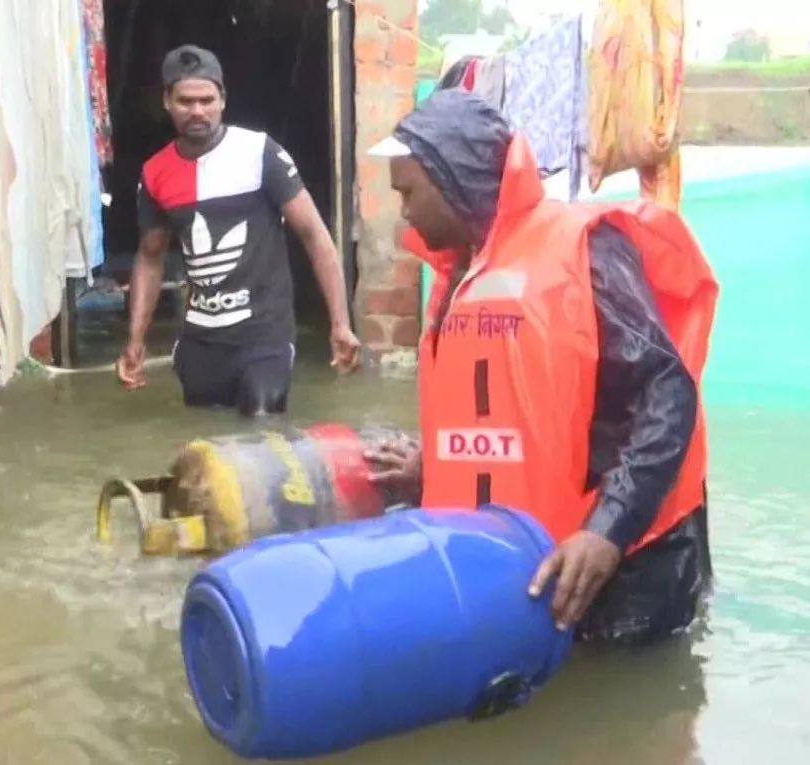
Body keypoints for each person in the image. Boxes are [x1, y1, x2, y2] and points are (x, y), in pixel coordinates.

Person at [364, 89, 719, 646]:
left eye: (408, 192)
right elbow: (506, 422)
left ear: (452, 177)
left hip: (633, 562)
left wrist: (608, 530)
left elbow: (667, 390)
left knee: (625, 716)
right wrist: (433, 472)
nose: (403, 210)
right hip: (544, 561)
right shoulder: (463, 273)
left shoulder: (584, 247)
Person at [116, 45, 361, 416]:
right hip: (202, 341)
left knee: (260, 427)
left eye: (206, 100)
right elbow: (149, 259)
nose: (197, 111)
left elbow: (315, 236)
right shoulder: (155, 173)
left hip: (265, 335)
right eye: (186, 101)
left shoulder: (260, 153)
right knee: (206, 442)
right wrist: (135, 341)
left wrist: (340, 324)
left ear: (223, 100)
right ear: (167, 101)